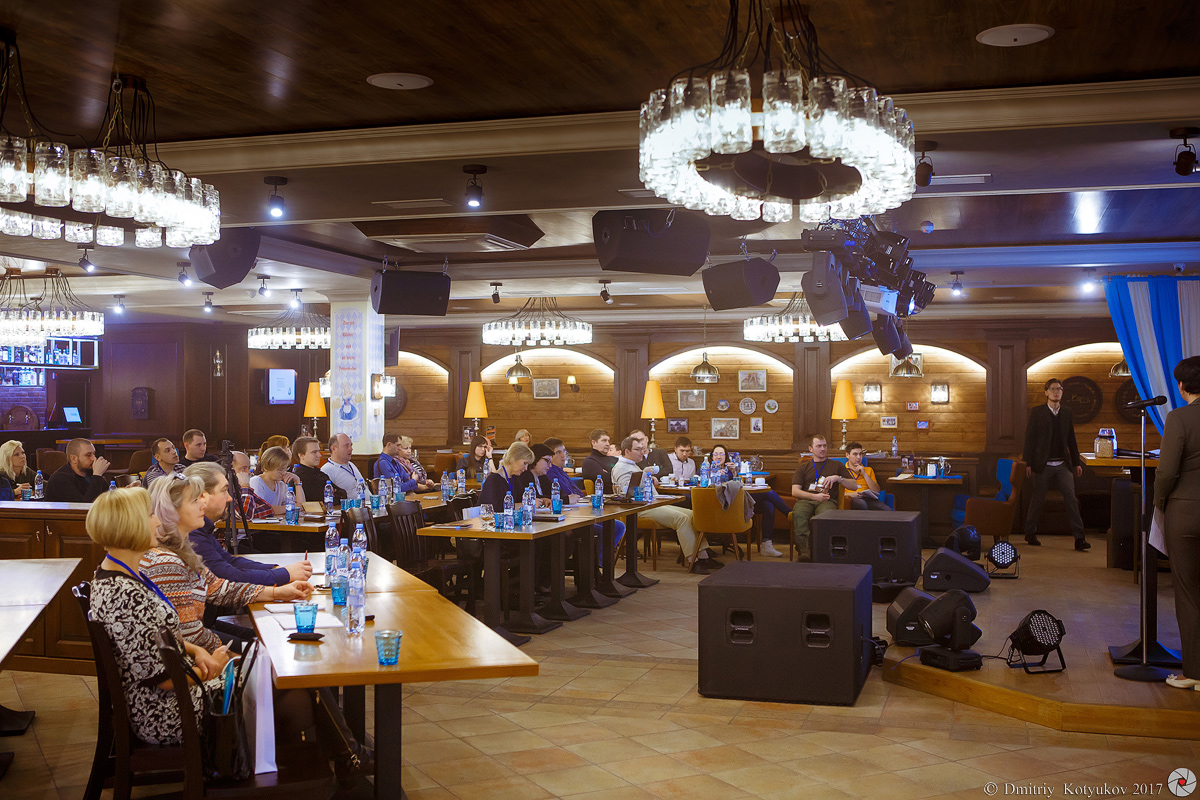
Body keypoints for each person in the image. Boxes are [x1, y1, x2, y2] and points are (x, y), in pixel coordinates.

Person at [88, 487, 372, 778]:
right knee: (297, 692)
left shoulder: (119, 577)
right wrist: (214, 666)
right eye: (150, 516)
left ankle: (339, 760)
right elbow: (163, 678)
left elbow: (161, 637)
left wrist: (196, 650)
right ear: (130, 526)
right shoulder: (126, 594)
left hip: (174, 692)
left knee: (294, 678)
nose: (157, 521)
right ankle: (322, 766)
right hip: (167, 712)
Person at [141, 476, 313, 653]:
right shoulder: (168, 563)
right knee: (268, 649)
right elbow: (190, 636)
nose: (203, 504)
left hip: (198, 642)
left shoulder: (182, 548)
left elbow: (220, 589)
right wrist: (234, 656)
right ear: (171, 511)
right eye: (195, 500)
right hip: (190, 656)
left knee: (269, 641)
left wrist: (277, 592)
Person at [184, 462, 312, 586]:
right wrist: (285, 574)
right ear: (202, 496)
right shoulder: (191, 532)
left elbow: (229, 560)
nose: (229, 498)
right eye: (224, 491)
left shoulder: (199, 527)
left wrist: (277, 569)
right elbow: (228, 575)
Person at [611, 435, 720, 573]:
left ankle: (703, 556)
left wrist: (648, 477)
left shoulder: (632, 465)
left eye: (642, 449)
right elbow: (629, 493)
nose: (642, 452)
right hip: (639, 508)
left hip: (651, 504)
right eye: (637, 449)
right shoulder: (622, 468)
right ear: (627, 451)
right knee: (682, 518)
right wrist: (645, 475)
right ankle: (694, 561)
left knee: (693, 515)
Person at [1155, 356, 1200, 690]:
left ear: (1182, 386)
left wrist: (1160, 502)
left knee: (1188, 592)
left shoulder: (1180, 417)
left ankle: (1195, 672)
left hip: (1186, 513)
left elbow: (1167, 471)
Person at [1022, 377, 1089, 550]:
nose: (1056, 392)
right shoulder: (1037, 412)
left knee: (1071, 498)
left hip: (1062, 464)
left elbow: (1071, 439)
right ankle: (1030, 532)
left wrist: (1076, 463)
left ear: (1062, 392)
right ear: (1046, 392)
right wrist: (1027, 462)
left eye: (1059, 389)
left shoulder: (1066, 412)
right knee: (1038, 498)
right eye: (1052, 389)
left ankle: (1079, 539)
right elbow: (1029, 439)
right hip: (1042, 464)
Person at [710, 445, 787, 558]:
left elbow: (739, 486)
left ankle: (766, 545)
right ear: (711, 457)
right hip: (719, 505)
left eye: (722, 454)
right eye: (716, 454)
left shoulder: (729, 470)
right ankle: (789, 513)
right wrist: (715, 474)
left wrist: (734, 472)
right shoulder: (706, 469)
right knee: (768, 493)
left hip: (737, 503)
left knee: (768, 505)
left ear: (726, 456)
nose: (718, 456)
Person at [791, 435, 858, 562]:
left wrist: (839, 478)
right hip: (807, 500)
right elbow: (795, 491)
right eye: (819, 446)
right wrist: (814, 496)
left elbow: (854, 486)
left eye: (824, 446)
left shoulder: (836, 465)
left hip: (827, 501)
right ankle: (804, 550)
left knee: (824, 515)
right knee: (799, 513)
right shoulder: (803, 467)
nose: (822, 449)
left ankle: (821, 549)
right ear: (811, 449)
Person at [45, 438, 110, 502]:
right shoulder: (59, 479)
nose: (94, 458)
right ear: (74, 459)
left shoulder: (90, 472)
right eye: (88, 455)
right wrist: (97, 475)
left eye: (94, 454)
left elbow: (108, 497)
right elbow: (83, 506)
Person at [249, 446, 306, 513]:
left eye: (285, 469)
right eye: (280, 470)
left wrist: (297, 482)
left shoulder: (281, 484)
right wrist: (290, 507)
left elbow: (300, 506)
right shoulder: (256, 481)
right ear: (266, 468)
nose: (284, 473)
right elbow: (261, 509)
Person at [480, 442, 535, 511]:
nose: (526, 468)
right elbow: (495, 508)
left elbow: (521, 499)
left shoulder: (514, 478)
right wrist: (522, 505)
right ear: (514, 458)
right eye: (524, 463)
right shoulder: (494, 480)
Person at [843, 441, 891, 511]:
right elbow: (837, 493)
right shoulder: (842, 470)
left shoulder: (868, 470)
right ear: (847, 455)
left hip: (868, 498)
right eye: (855, 454)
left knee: (887, 510)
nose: (858, 457)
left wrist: (864, 474)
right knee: (862, 504)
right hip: (851, 498)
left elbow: (876, 490)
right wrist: (851, 494)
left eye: (860, 454)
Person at [321, 432, 368, 498]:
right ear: (333, 448)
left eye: (351, 445)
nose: (351, 449)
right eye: (346, 446)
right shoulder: (327, 470)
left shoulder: (351, 465)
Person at [232, 451, 273, 519]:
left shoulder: (239, 488)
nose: (248, 472)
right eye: (244, 468)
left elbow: (269, 509)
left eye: (249, 468)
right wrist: (245, 486)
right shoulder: (224, 490)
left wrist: (251, 513)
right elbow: (245, 516)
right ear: (230, 471)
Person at [543, 437, 584, 502]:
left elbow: (578, 492)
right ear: (550, 456)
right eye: (558, 452)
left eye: (564, 451)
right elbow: (566, 493)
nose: (563, 455)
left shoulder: (561, 471)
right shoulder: (550, 472)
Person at [289, 436, 329, 502]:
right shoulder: (299, 477)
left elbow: (342, 493)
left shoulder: (320, 473)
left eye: (319, 451)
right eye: (314, 452)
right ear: (301, 455)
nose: (319, 455)